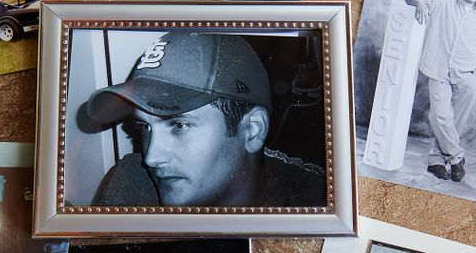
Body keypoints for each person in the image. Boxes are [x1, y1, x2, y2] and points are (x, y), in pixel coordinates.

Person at [76, 32, 326, 207]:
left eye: (179, 125)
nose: (151, 158)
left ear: (252, 130)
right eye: (143, 127)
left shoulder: (318, 206)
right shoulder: (129, 185)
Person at [405, 0, 476, 183]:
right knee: (440, 116)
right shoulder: (442, 3)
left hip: (467, 75)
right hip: (439, 71)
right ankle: (456, 159)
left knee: (455, 121)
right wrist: (419, 3)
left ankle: (436, 160)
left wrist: (475, 75)